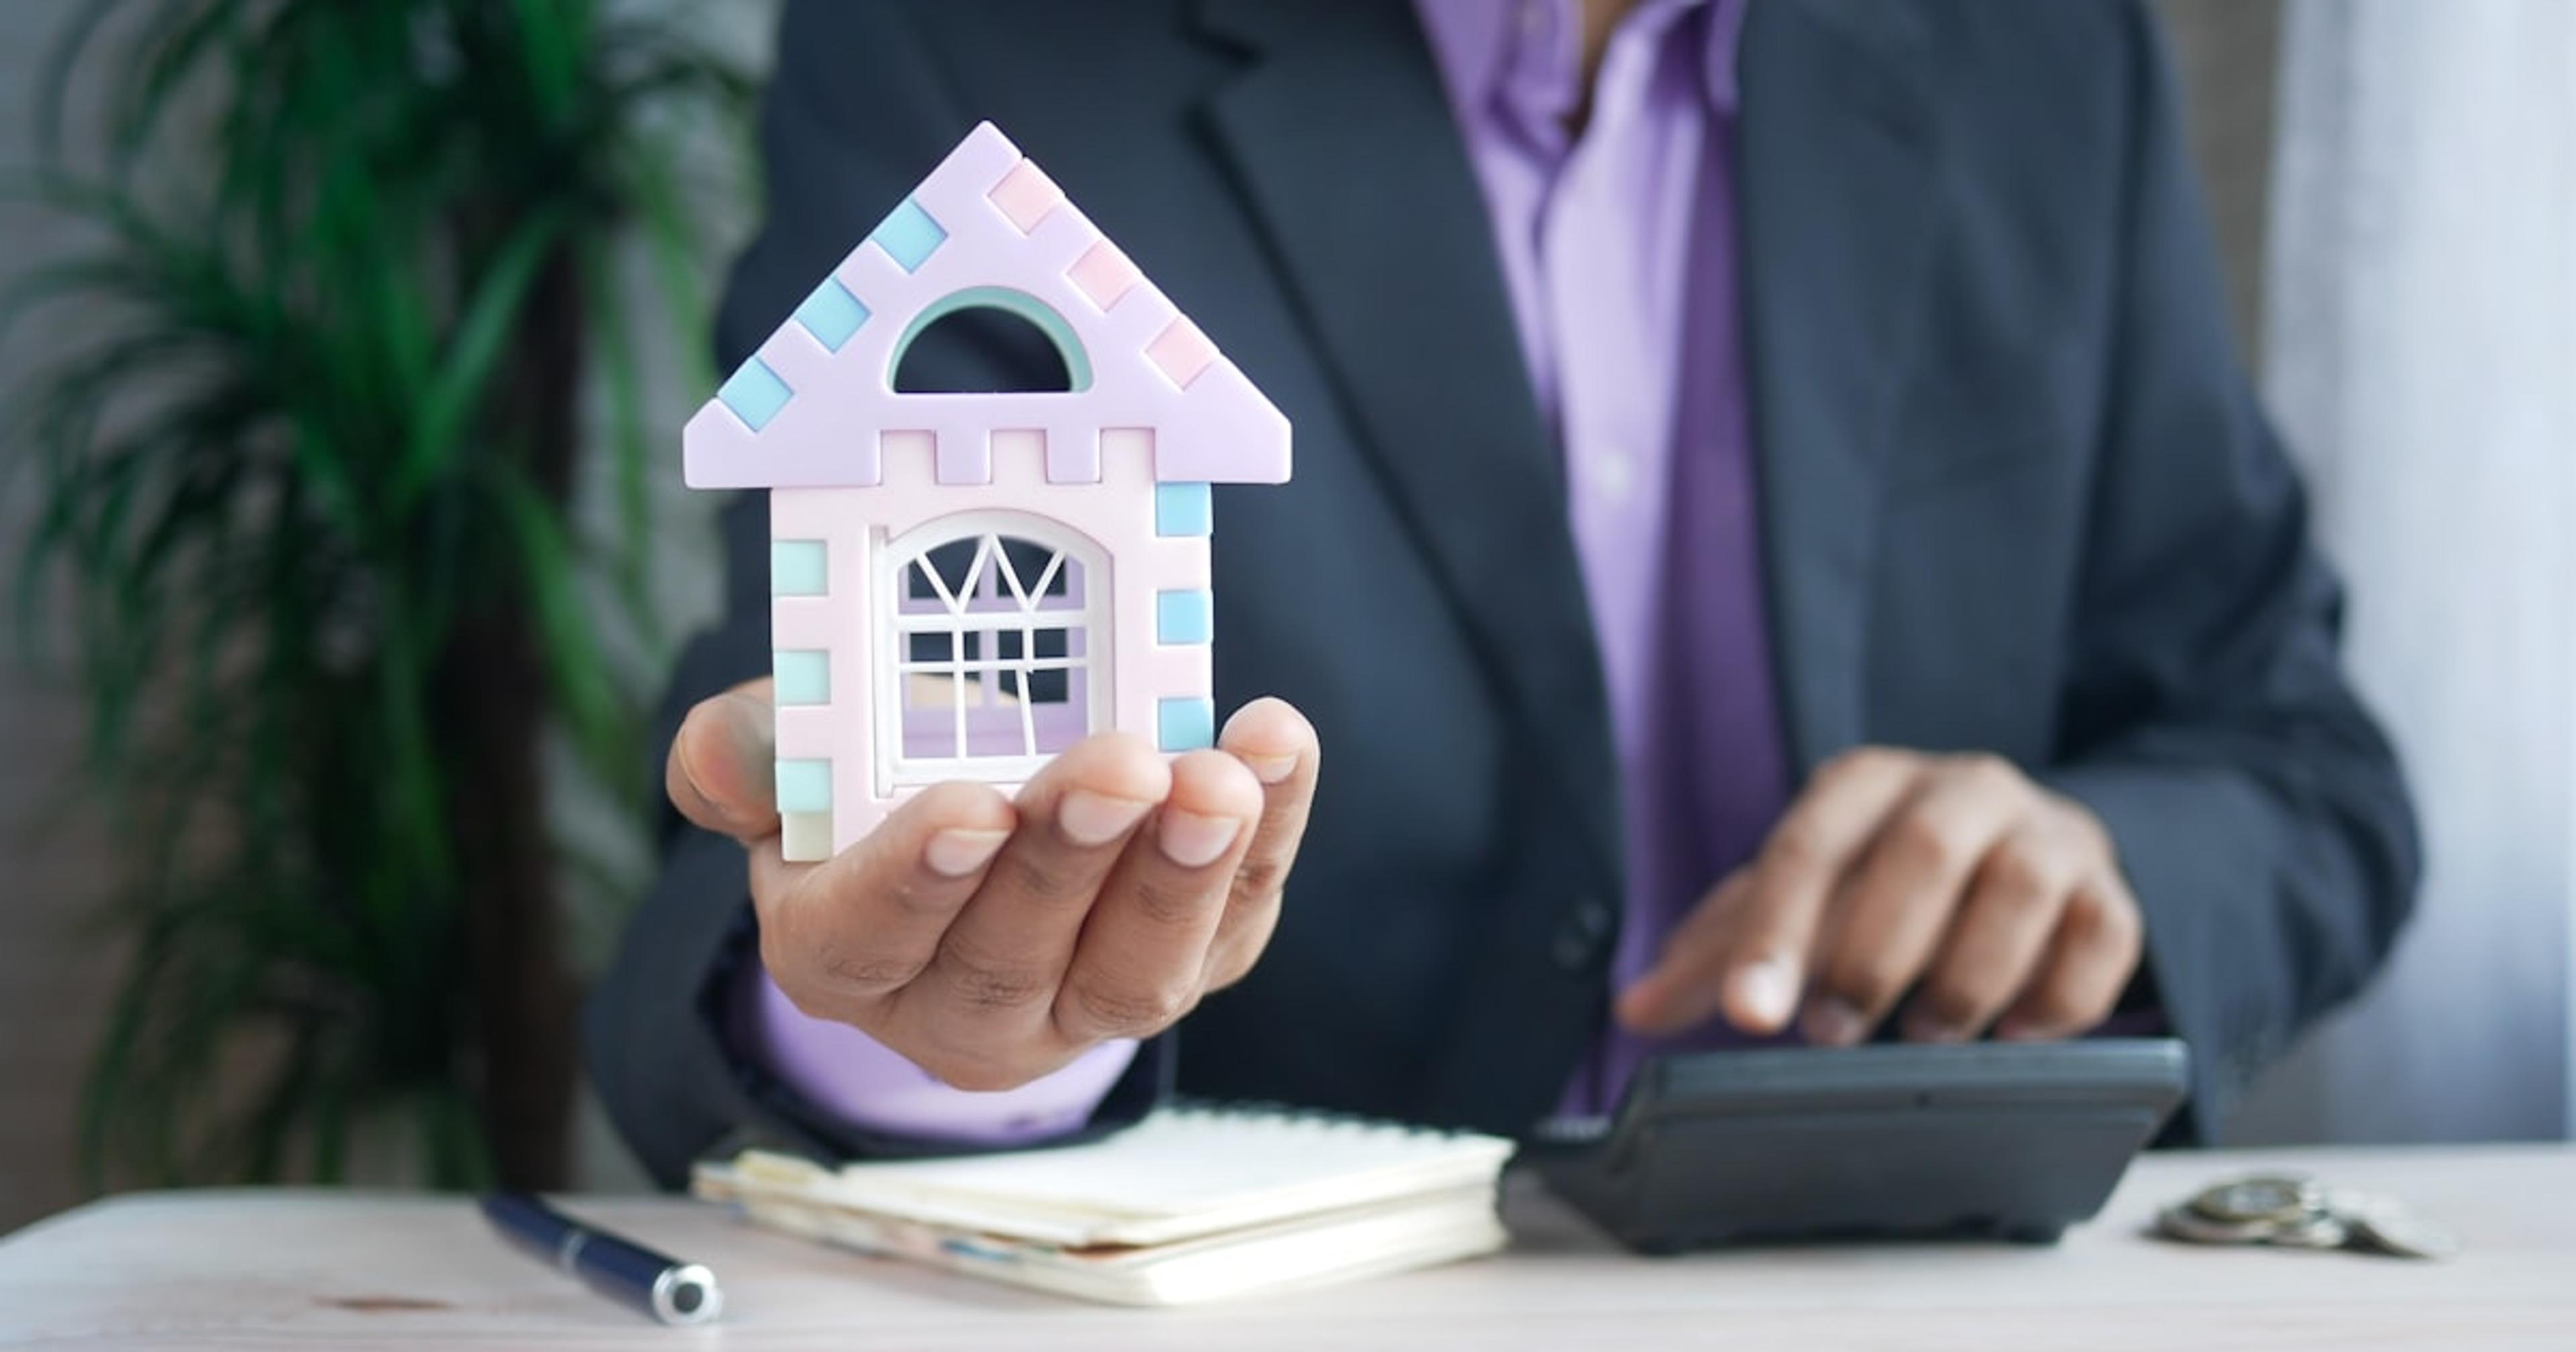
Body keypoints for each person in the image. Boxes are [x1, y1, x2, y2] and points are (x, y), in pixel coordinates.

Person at [589, 0, 2419, 1186]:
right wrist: (944, 1038)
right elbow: (804, 794)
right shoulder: (965, 45)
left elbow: (2298, 764)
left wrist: (2096, 867)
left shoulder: (2042, 52)